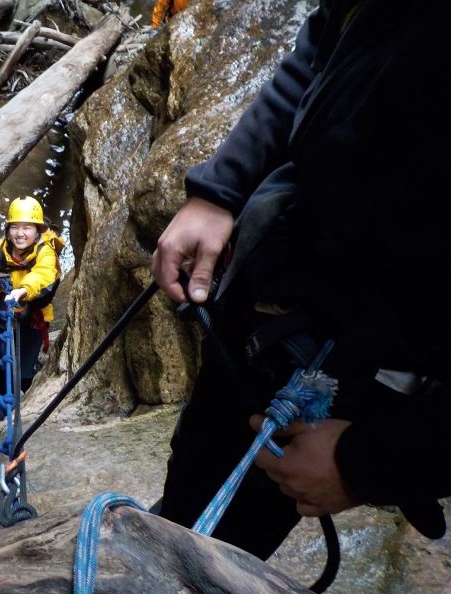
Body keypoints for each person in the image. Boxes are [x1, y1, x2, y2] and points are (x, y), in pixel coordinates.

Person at [150, 0, 451, 560]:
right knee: (192, 488)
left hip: (373, 354)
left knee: (226, 546)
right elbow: (322, 44)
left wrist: (367, 463)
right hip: (275, 284)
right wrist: (219, 190)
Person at [0, 196, 65, 422]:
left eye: (27, 227)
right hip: (2, 316)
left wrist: (23, 290)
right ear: (8, 230)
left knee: (24, 374)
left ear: (37, 231)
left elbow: (43, 274)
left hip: (32, 318)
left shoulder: (45, 252)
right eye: (15, 227)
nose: (20, 233)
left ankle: (35, 413)